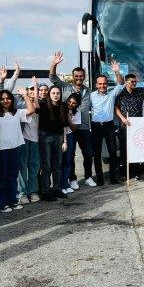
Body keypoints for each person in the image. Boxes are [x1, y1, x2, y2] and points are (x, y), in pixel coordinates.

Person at [47, 53, 94, 191]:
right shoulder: (65, 86)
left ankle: (88, 177)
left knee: (88, 154)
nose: (79, 78)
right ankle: (72, 179)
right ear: (73, 76)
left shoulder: (89, 90)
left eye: (81, 76)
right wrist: (54, 63)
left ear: (84, 76)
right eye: (76, 76)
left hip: (84, 127)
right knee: (70, 155)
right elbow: (52, 77)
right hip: (69, 127)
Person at [0, 87, 37, 212]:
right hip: (1, 150)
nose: (6, 101)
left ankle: (12, 201)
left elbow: (31, 110)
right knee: (1, 178)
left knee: (12, 177)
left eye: (8, 98)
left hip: (16, 148)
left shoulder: (17, 112)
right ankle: (1, 204)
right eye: (2, 99)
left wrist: (25, 95)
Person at [116, 67, 144, 181]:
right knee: (124, 151)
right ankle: (123, 174)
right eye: (132, 81)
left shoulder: (140, 91)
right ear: (126, 82)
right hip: (124, 126)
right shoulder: (120, 93)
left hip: (137, 126)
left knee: (137, 149)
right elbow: (116, 108)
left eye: (135, 81)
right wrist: (122, 119)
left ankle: (137, 173)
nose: (135, 83)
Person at [88, 60, 125, 185]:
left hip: (109, 126)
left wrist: (116, 72)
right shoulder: (91, 95)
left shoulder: (112, 94)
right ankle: (100, 180)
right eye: (100, 84)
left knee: (113, 152)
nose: (102, 86)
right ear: (96, 84)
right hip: (96, 126)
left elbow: (120, 84)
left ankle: (113, 179)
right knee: (97, 154)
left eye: (104, 84)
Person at [38, 85, 68, 198]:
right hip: (45, 137)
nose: (56, 95)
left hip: (59, 137)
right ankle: (45, 191)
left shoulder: (63, 106)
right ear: (49, 95)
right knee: (46, 166)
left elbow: (64, 126)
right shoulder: (43, 105)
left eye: (58, 93)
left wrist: (65, 141)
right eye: (53, 93)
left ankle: (57, 188)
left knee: (57, 165)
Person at [61, 93, 82, 193]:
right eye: (69, 101)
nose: (70, 104)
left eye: (74, 103)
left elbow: (74, 128)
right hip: (59, 136)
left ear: (77, 104)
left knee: (68, 160)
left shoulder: (77, 113)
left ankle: (66, 184)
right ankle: (61, 185)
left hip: (70, 136)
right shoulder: (61, 108)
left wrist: (69, 118)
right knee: (59, 161)